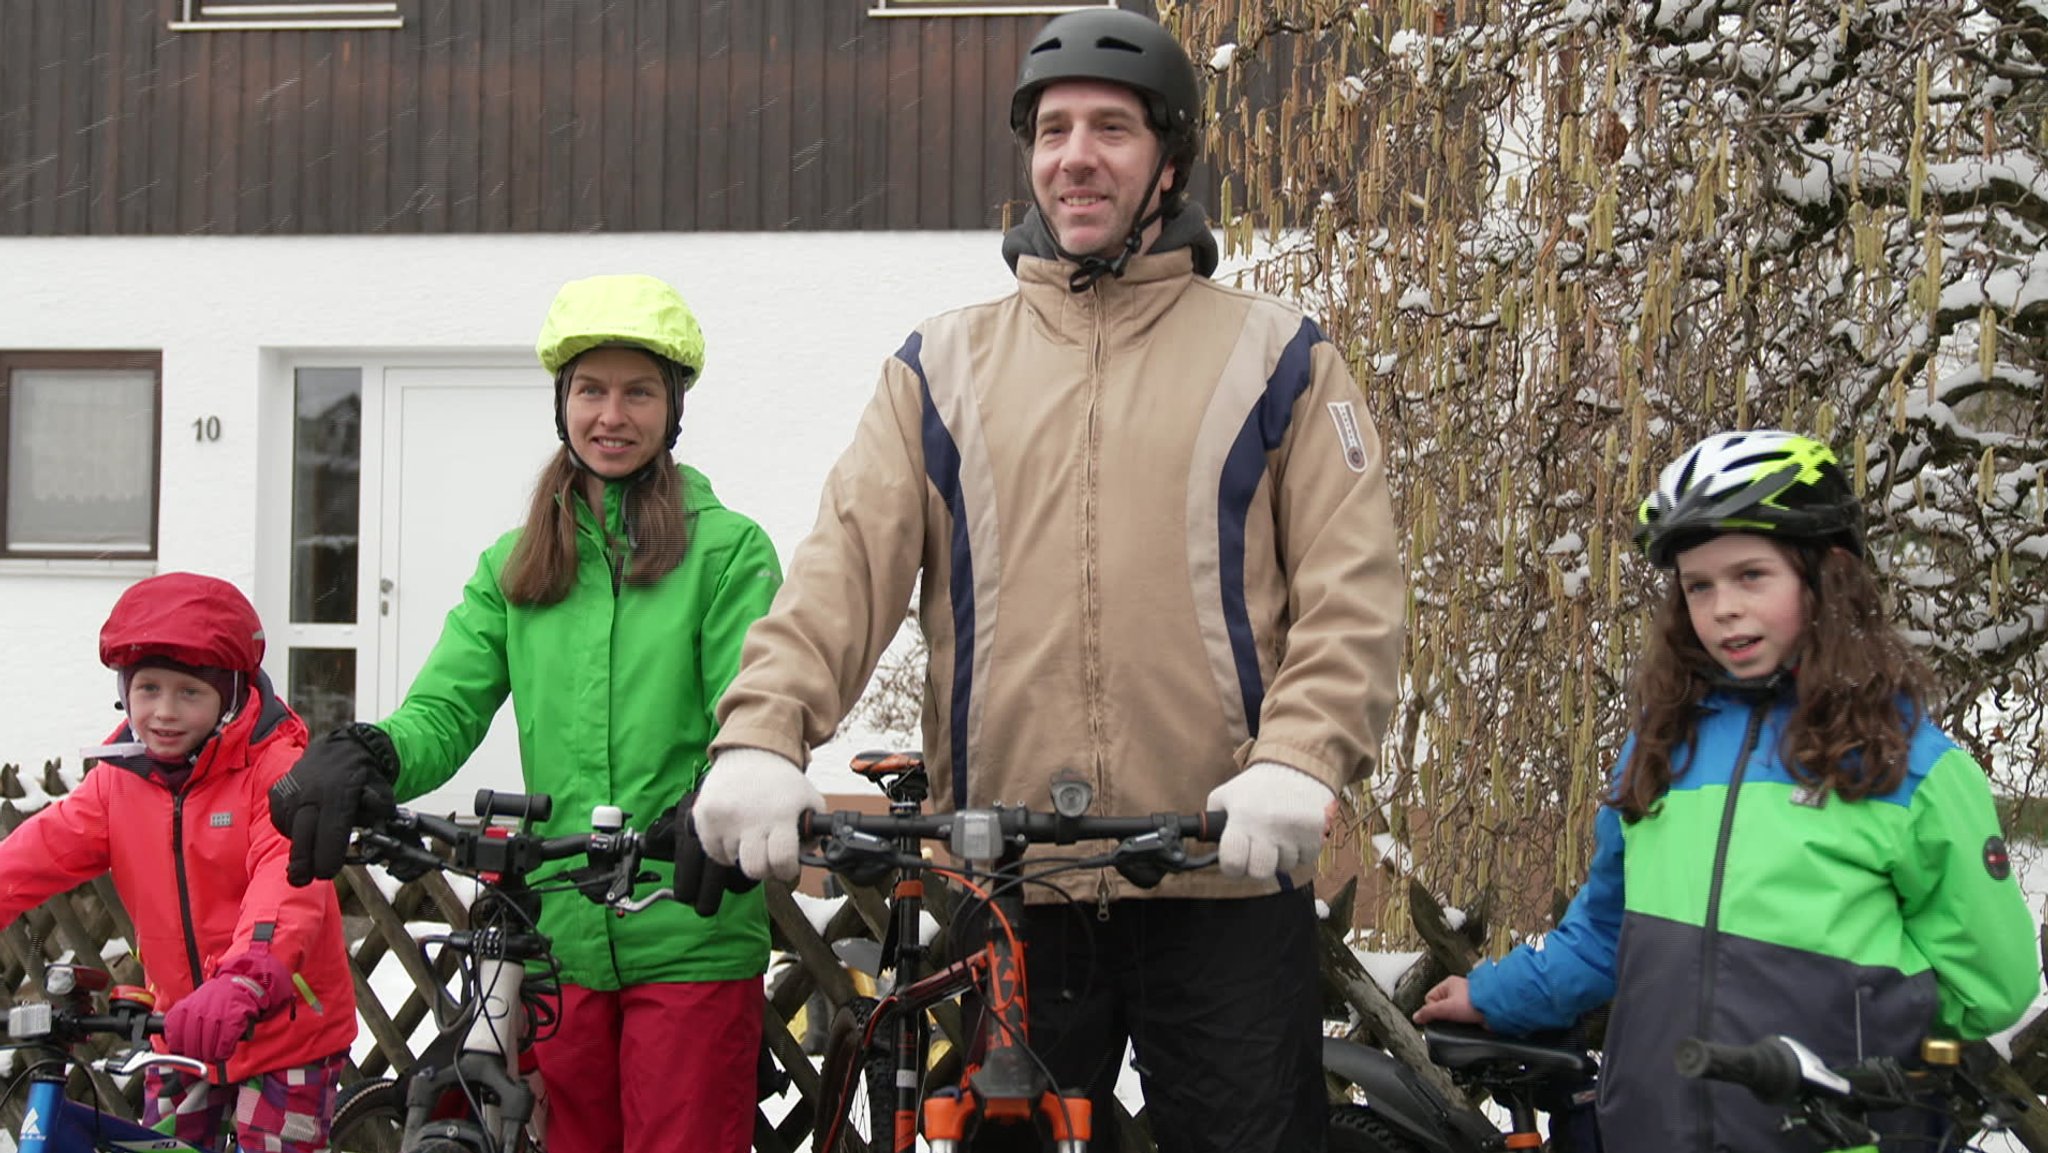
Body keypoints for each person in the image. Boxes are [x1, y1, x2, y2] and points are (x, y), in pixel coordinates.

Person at [689, 9, 1404, 1153]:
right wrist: (762, 735)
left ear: (1167, 158)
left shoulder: (1278, 356)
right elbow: (840, 568)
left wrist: (1299, 759)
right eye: (1053, 128)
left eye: (1110, 128)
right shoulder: (943, 365)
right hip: (1012, 886)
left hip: (1216, 877)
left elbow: (1353, 595)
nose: (1076, 154)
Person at [264, 273, 784, 1153]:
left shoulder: (727, 551)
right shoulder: (515, 565)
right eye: (590, 389)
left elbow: (754, 711)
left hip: (691, 922)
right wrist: (366, 752)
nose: (610, 415)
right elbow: (444, 709)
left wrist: (716, 801)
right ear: (561, 401)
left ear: (674, 407)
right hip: (560, 944)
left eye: (637, 391)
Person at [1412, 430, 2041, 1152]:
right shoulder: (1661, 747)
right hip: (1653, 1129)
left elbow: (1993, 981)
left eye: (1751, 575)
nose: (1723, 608)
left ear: (1827, 574)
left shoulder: (1910, 768)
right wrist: (1496, 995)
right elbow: (1607, 932)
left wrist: (1864, 1046)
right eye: (1698, 584)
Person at [0, 572, 357, 1151]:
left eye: (189, 692)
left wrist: (245, 977)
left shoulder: (277, 772)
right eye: (148, 689)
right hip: (180, 1032)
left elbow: (285, 886)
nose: (163, 712)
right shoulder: (120, 781)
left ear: (232, 693)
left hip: (284, 1032)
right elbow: (32, 856)